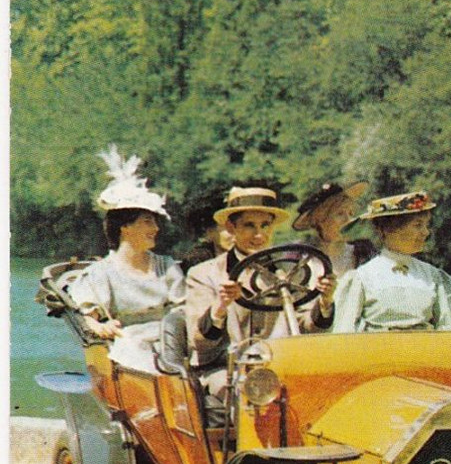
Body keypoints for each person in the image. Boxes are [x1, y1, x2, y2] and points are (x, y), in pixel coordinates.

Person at [185, 187, 336, 396]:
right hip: (225, 370)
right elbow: (200, 344)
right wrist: (220, 308)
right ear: (231, 227)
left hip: (280, 365)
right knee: (250, 392)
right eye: (249, 226)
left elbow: (308, 330)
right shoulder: (204, 274)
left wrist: (325, 302)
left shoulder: (287, 274)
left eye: (265, 225)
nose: (259, 235)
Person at [66, 146, 187, 371]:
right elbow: (86, 317)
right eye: (147, 221)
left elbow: (185, 310)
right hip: (131, 348)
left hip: (173, 343)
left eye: (154, 221)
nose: (156, 228)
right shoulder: (102, 273)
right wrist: (99, 326)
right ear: (125, 228)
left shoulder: (166, 266)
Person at [331, 191, 451, 332]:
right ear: (387, 230)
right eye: (418, 225)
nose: (426, 232)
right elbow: (343, 333)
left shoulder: (434, 277)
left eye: (426, 225)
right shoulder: (362, 278)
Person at [292, 179, 374, 275]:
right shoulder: (303, 258)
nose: (348, 219)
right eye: (340, 214)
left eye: (351, 213)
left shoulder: (363, 253)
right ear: (320, 220)